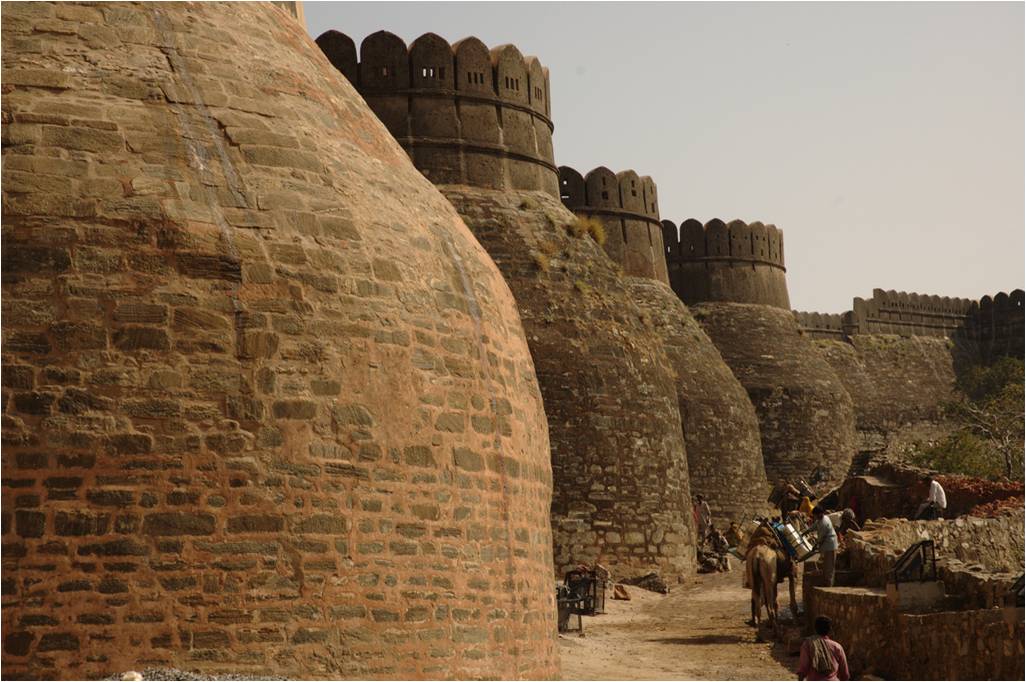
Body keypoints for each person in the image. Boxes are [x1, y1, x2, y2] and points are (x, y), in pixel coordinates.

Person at [797, 616, 850, 681]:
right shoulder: (837, 647)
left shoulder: (808, 645)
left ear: (815, 628)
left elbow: (803, 669)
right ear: (830, 630)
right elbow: (845, 674)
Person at [812, 506, 838, 587]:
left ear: (819, 514)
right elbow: (815, 525)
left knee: (829, 568)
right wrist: (807, 531)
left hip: (830, 546)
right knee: (826, 566)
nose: (814, 517)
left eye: (815, 515)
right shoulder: (821, 519)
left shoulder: (824, 523)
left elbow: (820, 538)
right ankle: (826, 584)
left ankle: (829, 586)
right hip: (826, 546)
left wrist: (815, 545)